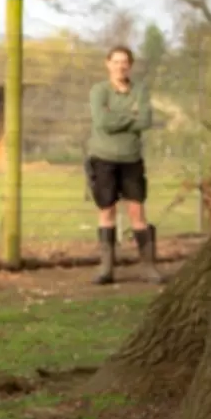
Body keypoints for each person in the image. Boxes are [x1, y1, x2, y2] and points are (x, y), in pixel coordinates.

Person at [85, 45, 164, 285]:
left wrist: (120, 117)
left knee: (137, 211)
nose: (121, 66)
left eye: (125, 62)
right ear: (108, 64)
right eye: (116, 61)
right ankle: (106, 268)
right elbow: (103, 122)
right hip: (103, 158)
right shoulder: (99, 91)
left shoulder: (139, 90)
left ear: (130, 65)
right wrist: (131, 115)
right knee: (107, 210)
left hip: (131, 159)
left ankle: (149, 267)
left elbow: (146, 120)